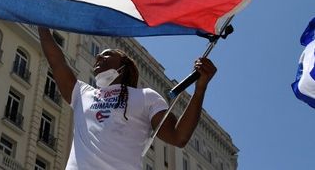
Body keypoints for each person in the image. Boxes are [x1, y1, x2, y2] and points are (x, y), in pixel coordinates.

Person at [38, 27, 217, 170]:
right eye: (99, 55)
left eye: (107, 54)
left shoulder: (146, 97)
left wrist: (200, 89)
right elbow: (57, 61)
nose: (98, 56)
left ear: (124, 66)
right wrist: (42, 24)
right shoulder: (82, 94)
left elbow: (178, 137)